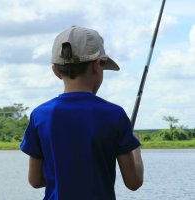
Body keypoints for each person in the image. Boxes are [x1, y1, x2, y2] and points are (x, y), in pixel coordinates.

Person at [20, 26, 144, 200]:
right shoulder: (114, 115)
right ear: (97, 65)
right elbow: (134, 182)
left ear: (56, 71)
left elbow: (35, 180)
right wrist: (136, 147)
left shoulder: (40, 115)